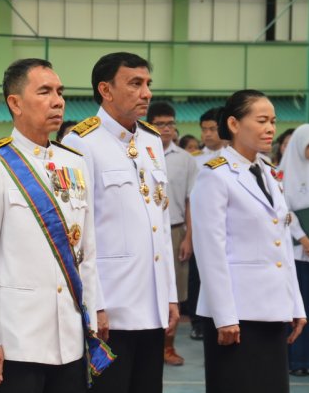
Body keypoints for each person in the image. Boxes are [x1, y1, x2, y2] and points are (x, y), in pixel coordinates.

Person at [0, 58, 112, 392]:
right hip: (17, 340)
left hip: (69, 338)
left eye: (60, 92)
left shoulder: (74, 163)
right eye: (44, 91)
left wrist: (93, 313)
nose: (58, 100)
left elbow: (87, 251)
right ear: (15, 103)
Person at [64, 52, 178, 393]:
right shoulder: (79, 142)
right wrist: (94, 304)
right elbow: (78, 234)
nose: (146, 93)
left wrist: (169, 294)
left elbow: (161, 219)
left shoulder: (151, 139)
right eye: (135, 84)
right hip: (111, 306)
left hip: (151, 301)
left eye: (147, 84)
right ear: (106, 90)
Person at [190, 89, 306, 393]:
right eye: (262, 120)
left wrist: (295, 303)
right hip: (237, 315)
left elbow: (281, 244)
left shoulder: (268, 172)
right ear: (234, 123)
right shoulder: (215, 175)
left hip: (272, 309)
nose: (270, 128)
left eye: (273, 121)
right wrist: (224, 316)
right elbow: (210, 252)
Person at [147, 102, 199, 367]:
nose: (166, 129)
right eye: (160, 124)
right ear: (149, 124)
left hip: (176, 229)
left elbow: (191, 200)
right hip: (147, 232)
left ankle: (168, 347)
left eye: (170, 123)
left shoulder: (186, 159)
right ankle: (147, 347)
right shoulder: (141, 153)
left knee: (175, 291)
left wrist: (189, 238)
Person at [279, 124, 309, 378]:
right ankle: (297, 360)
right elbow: (282, 211)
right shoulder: (281, 175)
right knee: (299, 309)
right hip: (295, 253)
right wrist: (303, 238)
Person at [188, 106, 226, 341]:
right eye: (204, 130)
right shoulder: (195, 160)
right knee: (196, 276)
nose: (208, 134)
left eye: (213, 129)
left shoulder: (231, 157)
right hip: (199, 227)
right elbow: (189, 197)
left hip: (223, 228)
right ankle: (197, 321)